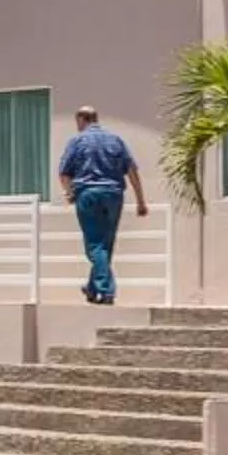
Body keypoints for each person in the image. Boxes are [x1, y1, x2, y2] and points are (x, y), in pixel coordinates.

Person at [57, 106, 148, 305]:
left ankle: (106, 290)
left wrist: (70, 193)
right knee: (105, 243)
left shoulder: (76, 141)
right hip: (113, 194)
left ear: (81, 119)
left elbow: (64, 173)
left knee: (94, 245)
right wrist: (140, 201)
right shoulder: (116, 140)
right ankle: (92, 287)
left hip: (88, 194)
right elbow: (132, 171)